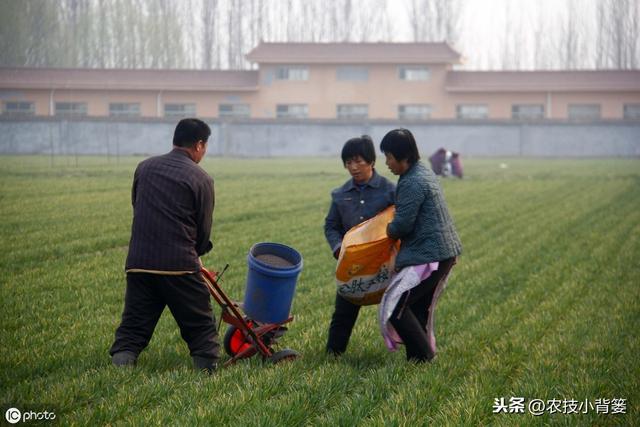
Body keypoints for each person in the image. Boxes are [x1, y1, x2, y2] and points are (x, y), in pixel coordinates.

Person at [109, 118, 220, 373]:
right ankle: (207, 366)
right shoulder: (201, 178)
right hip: (178, 264)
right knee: (199, 321)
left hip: (139, 261)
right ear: (200, 145)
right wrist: (198, 251)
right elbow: (203, 227)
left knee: (135, 322)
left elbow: (137, 206)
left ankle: (122, 364)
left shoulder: (144, 167)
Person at [379, 128, 462, 362]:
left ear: (402, 156)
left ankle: (425, 356)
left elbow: (402, 225)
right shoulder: (421, 172)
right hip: (443, 252)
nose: (387, 163)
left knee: (397, 308)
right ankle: (417, 359)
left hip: (431, 256)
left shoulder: (412, 182)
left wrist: (386, 230)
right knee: (416, 308)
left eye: (389, 157)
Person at [324, 135, 396, 355]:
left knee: (400, 310)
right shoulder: (340, 195)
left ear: (372, 161)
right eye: (348, 162)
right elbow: (331, 226)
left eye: (358, 161)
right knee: (343, 311)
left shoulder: (390, 191)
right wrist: (339, 249)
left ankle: (416, 354)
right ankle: (332, 355)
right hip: (354, 265)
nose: (353, 167)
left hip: (385, 264)